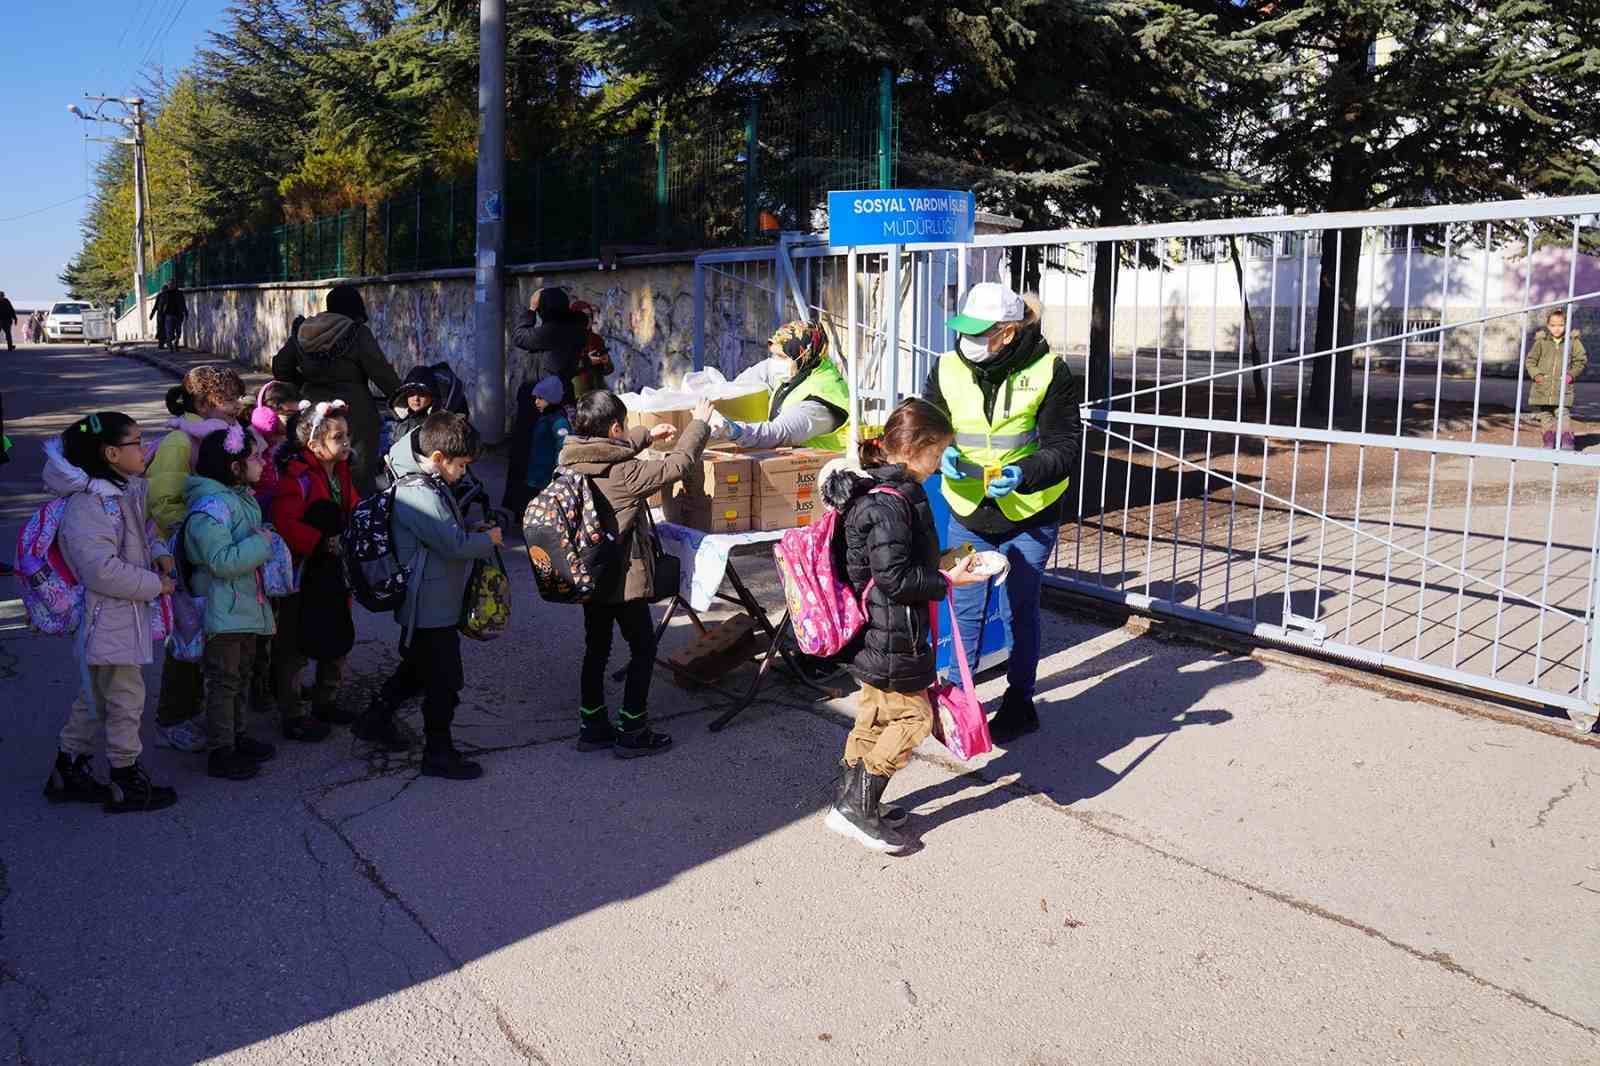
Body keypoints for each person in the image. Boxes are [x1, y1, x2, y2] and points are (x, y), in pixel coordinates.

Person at [819, 399, 987, 853]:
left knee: (874, 713)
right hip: (892, 630)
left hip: (880, 630)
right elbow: (893, 578)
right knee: (914, 717)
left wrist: (944, 563)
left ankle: (849, 801)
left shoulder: (889, 493)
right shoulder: (889, 504)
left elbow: (895, 564)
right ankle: (858, 809)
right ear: (914, 448)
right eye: (937, 454)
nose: (939, 464)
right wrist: (948, 578)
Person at [922, 282, 1081, 743]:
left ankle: (1019, 702)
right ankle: (958, 701)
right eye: (964, 329)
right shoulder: (949, 366)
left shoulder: (1051, 371)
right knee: (965, 608)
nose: (967, 341)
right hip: (968, 509)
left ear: (1008, 333)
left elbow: (1065, 446)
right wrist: (942, 449)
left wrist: (1027, 472)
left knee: (1019, 611)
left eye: (979, 332)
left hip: (1028, 512)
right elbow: (932, 421)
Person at [559, 391, 713, 757]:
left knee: (596, 649)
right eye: (624, 428)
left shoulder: (570, 459)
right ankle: (633, 727)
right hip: (623, 580)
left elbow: (607, 449)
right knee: (643, 647)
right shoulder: (626, 474)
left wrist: (645, 435)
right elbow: (679, 464)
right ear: (615, 427)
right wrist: (699, 423)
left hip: (589, 576)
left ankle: (592, 725)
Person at [42, 413, 180, 813]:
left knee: (95, 698)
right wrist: (157, 585)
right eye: (138, 441)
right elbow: (100, 570)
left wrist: (160, 553)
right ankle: (126, 779)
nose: (146, 446)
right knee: (126, 700)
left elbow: (142, 535)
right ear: (112, 453)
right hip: (107, 618)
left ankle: (68, 768)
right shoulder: (88, 506)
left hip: (121, 615)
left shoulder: (122, 491)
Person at [352, 413, 503, 779]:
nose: (464, 473)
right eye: (461, 465)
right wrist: (487, 540)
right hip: (430, 604)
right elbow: (451, 544)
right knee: (445, 681)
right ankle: (438, 751)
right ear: (437, 457)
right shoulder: (417, 492)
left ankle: (375, 718)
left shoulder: (423, 481)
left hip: (430, 599)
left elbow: (440, 533)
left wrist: (469, 529)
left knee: (418, 669)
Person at [148, 365, 246, 753]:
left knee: (207, 632)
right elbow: (162, 501)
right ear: (206, 402)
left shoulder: (218, 435)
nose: (237, 406)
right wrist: (193, 538)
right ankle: (172, 717)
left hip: (206, 548)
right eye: (229, 400)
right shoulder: (181, 442)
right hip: (184, 555)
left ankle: (197, 708)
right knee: (186, 634)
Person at [183, 427, 278, 781]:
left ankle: (237, 737)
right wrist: (262, 543)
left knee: (240, 675)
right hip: (221, 611)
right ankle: (221, 751)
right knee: (224, 681)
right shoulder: (212, 507)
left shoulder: (238, 498)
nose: (261, 462)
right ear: (234, 466)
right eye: (254, 457)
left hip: (241, 606)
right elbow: (220, 560)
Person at [269, 400, 361, 740]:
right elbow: (285, 520)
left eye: (346, 435)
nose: (346, 442)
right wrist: (320, 542)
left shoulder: (342, 472)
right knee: (295, 643)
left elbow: (353, 506)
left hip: (335, 568)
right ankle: (292, 712)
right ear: (314, 443)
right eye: (338, 437)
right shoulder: (298, 476)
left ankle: (327, 699)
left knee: (337, 633)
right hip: (304, 572)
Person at [271, 284, 403, 496]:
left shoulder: (305, 331)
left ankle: (322, 518)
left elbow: (280, 367)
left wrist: (304, 384)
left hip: (314, 412)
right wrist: (402, 399)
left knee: (316, 469)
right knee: (358, 475)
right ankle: (358, 522)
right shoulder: (357, 332)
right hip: (355, 413)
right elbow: (381, 372)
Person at [706, 320, 851, 450]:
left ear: (802, 356)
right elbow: (762, 372)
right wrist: (721, 393)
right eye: (773, 355)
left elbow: (778, 432)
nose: (774, 361)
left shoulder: (817, 401)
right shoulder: (803, 369)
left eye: (781, 356)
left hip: (828, 471)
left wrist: (734, 430)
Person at [503, 375, 570, 519]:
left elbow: (563, 447)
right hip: (535, 474)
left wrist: (559, 473)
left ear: (551, 398)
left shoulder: (558, 421)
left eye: (540, 398)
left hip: (546, 476)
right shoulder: (545, 416)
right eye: (536, 398)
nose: (536, 402)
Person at [511, 286, 589, 408]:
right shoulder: (577, 331)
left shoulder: (549, 333)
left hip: (544, 400)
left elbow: (519, 337)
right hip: (564, 395)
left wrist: (531, 309)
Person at [1524, 308, 1587, 451]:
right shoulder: (1541, 342)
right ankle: (1548, 440)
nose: (1557, 329)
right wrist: (1537, 375)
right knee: (1546, 415)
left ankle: (1567, 439)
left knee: (1562, 413)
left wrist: (1570, 375)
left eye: (1561, 325)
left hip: (1562, 387)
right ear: (1548, 326)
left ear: (1566, 325)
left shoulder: (1573, 342)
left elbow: (1580, 361)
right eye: (1553, 325)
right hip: (1543, 387)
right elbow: (1530, 361)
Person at [567, 300, 615, 399]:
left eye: (589, 316)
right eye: (583, 316)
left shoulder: (596, 339)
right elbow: (564, 368)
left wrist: (605, 361)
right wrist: (587, 361)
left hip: (597, 391)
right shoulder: (567, 339)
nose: (587, 319)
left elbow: (609, 370)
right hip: (575, 394)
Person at [151, 281, 187, 350]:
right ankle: (169, 344)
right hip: (168, 315)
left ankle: (176, 342)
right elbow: (158, 305)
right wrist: (156, 314)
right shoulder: (164, 294)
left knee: (178, 331)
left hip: (178, 315)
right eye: (170, 284)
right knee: (168, 331)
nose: (171, 286)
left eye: (173, 284)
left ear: (175, 285)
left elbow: (183, 303)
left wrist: (185, 312)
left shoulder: (179, 293)